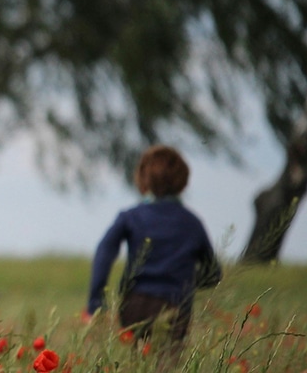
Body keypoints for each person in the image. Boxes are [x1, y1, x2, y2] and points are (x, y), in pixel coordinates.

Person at [85, 145, 222, 349]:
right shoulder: (192, 223)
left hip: (134, 304)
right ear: (182, 181)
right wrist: (185, 282)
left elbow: (104, 252)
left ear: (143, 179)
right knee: (167, 363)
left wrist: (96, 302)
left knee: (138, 360)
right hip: (176, 306)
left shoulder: (131, 217)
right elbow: (213, 273)